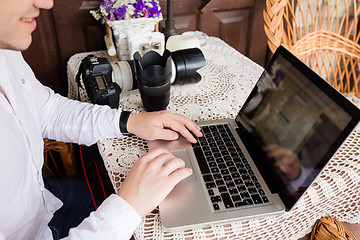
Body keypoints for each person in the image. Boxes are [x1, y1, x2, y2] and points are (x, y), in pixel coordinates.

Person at [0, 0, 203, 239]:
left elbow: (47, 110)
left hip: (44, 203)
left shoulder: (6, 50)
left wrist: (131, 122)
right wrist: (128, 207)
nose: (46, 3)